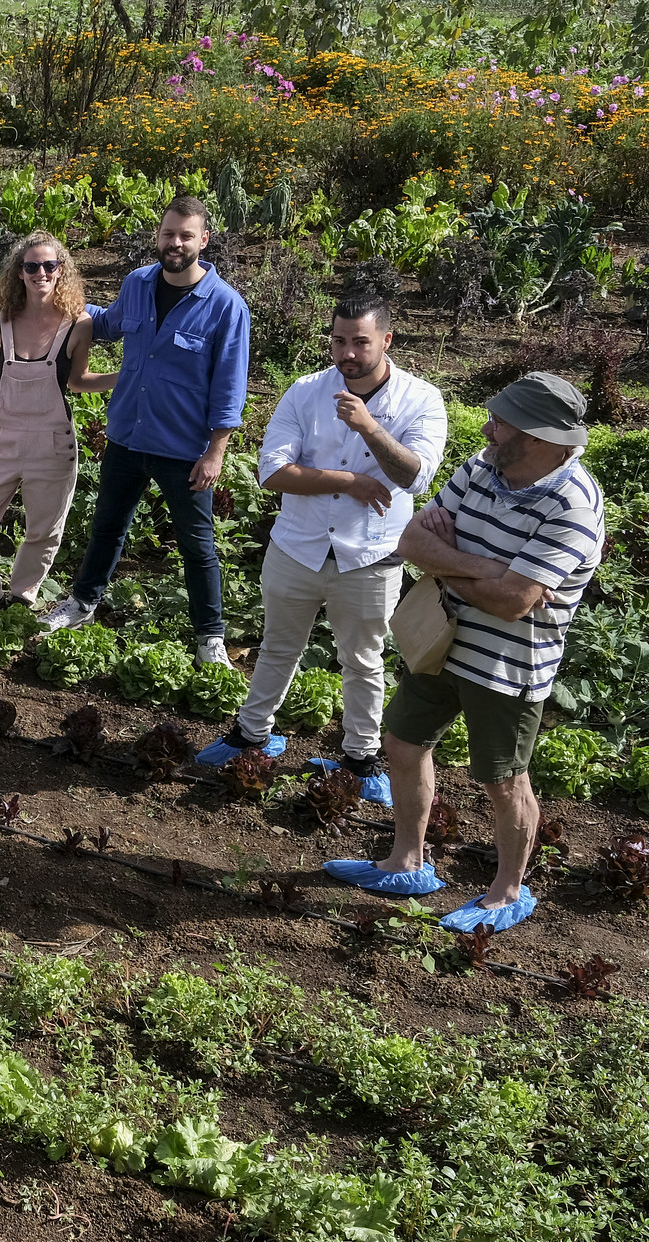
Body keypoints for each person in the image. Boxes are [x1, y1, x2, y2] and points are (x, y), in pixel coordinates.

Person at [325, 373, 604, 935]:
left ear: (544, 439)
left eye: (502, 423)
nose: (487, 428)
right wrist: (484, 568)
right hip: (442, 641)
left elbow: (513, 603)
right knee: (402, 745)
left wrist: (453, 560)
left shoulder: (574, 503)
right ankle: (407, 860)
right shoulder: (482, 466)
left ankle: (506, 891)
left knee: (504, 781)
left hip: (507, 666)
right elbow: (411, 541)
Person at [197, 295, 447, 802]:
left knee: (362, 660)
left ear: (386, 341)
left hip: (371, 556)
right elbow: (272, 471)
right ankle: (252, 735)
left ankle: (360, 757)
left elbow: (414, 478)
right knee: (277, 647)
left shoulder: (421, 400)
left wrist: (370, 428)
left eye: (360, 342)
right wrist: (350, 480)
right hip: (298, 547)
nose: (348, 353)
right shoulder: (306, 392)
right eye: (339, 341)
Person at [37, 197, 252, 666]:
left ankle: (210, 638)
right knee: (108, 528)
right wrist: (58, 305)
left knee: (197, 546)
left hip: (183, 449)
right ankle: (82, 603)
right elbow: (109, 324)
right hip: (127, 437)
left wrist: (216, 451)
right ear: (158, 235)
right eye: (168, 233)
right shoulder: (138, 283)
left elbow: (230, 385)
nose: (175, 243)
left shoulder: (225, 307)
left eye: (185, 235)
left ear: (204, 241)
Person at [0, 232, 110, 610]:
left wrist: (125, 377)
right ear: (19, 273)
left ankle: (21, 600)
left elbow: (76, 381)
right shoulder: (0, 323)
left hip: (52, 445)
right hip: (3, 440)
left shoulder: (77, 324)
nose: (41, 273)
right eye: (32, 266)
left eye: (50, 266)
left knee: (42, 532)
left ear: (61, 270)